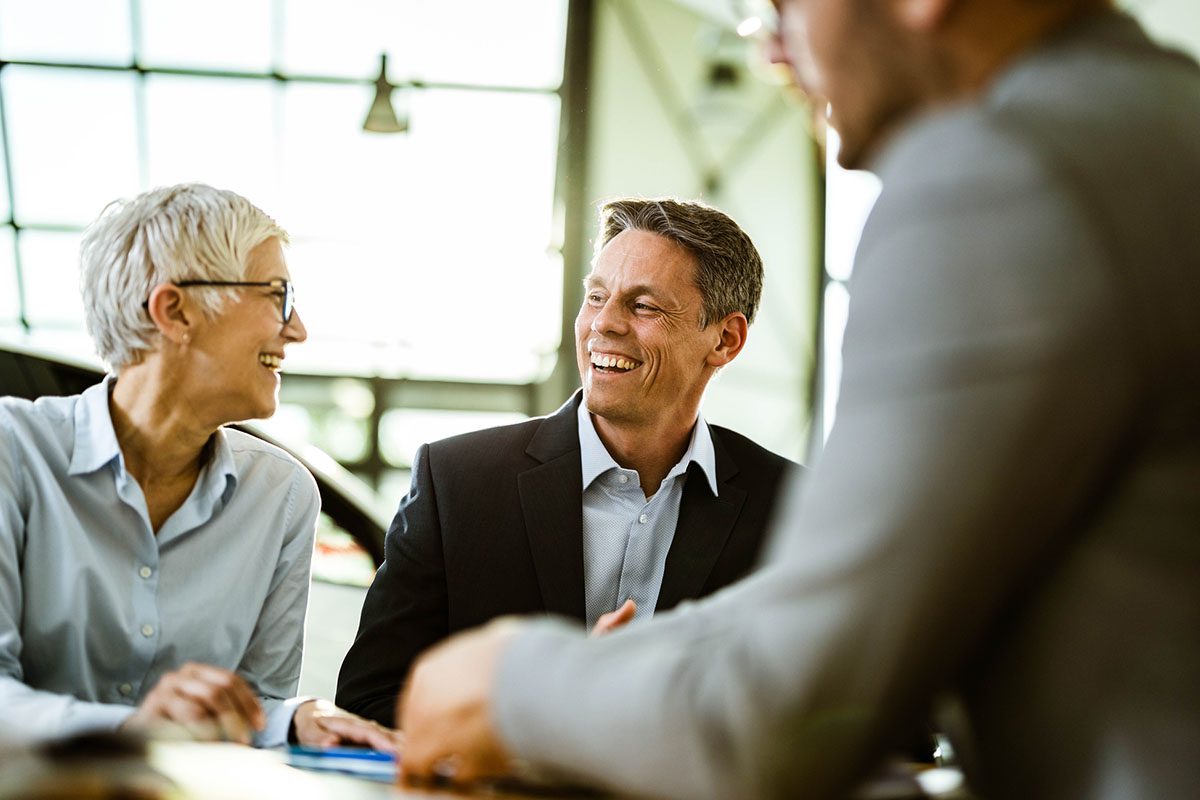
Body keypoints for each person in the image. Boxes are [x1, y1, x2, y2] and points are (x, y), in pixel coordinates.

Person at [395, 1, 1200, 797]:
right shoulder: (1161, 123)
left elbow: (780, 710)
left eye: (784, 5)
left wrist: (513, 682)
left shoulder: (1000, 173)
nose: (771, 52)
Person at [336, 198, 796, 726]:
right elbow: (369, 703)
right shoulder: (459, 482)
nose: (604, 323)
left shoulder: (790, 506)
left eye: (643, 306)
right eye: (596, 296)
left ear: (725, 339)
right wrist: (547, 715)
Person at [0, 183, 395, 751]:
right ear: (175, 310)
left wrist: (293, 720)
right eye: (277, 296)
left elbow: (251, 702)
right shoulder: (14, 451)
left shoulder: (283, 496)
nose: (298, 329)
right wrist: (133, 731)